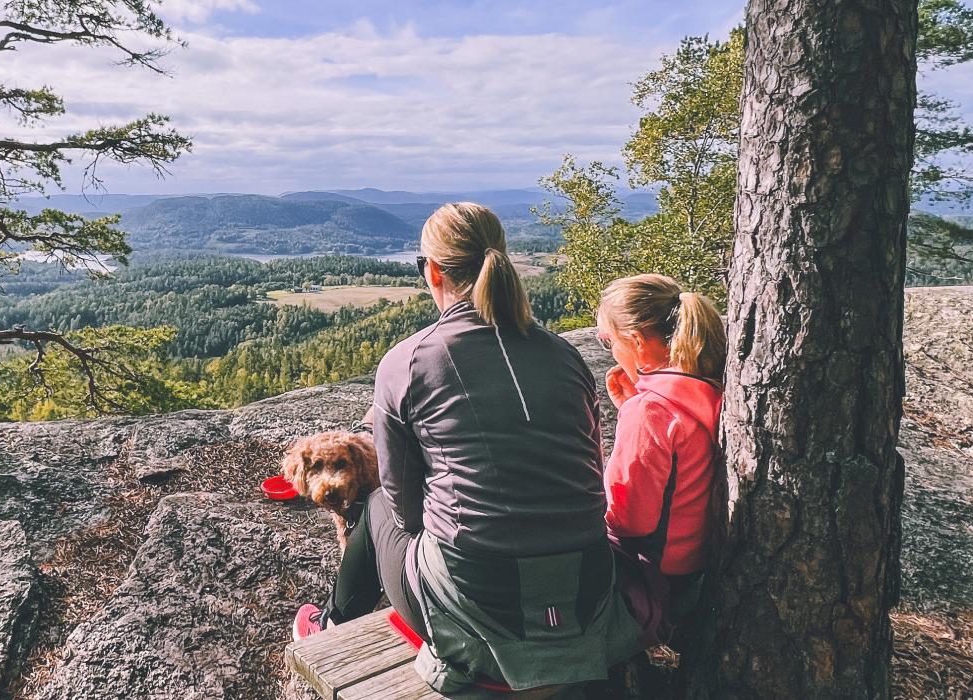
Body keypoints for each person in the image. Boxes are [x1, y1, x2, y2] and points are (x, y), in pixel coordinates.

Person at [292, 202, 643, 694]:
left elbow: (404, 510)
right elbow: (587, 467)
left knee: (373, 506)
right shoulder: (564, 355)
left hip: (479, 605)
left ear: (433, 270)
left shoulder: (408, 362)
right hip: (584, 591)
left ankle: (331, 624)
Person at [595, 273, 727, 647]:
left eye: (610, 343)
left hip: (652, 579)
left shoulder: (650, 412)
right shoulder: (709, 391)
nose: (613, 353)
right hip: (694, 566)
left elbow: (629, 520)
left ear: (636, 341)